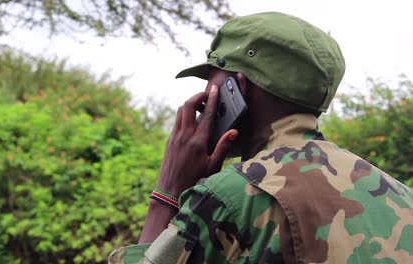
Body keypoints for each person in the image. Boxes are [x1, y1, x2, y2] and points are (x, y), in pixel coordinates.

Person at [109, 12, 413, 263]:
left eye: (212, 76)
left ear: (236, 86)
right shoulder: (402, 196)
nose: (202, 95)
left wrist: (168, 192)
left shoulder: (230, 195)